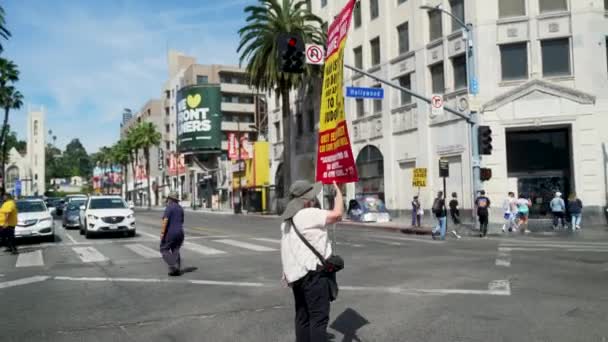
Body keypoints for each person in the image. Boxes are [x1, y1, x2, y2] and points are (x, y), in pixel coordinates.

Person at [280, 180, 343, 342]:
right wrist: (338, 192)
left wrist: (286, 273)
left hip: (297, 277)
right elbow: (337, 214)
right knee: (318, 319)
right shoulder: (308, 214)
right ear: (306, 199)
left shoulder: (287, 221)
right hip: (314, 276)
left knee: (302, 317)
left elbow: (287, 249)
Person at [160, 191, 185, 276]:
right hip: (180, 233)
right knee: (175, 250)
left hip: (171, 233)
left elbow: (165, 221)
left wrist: (162, 233)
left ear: (170, 199)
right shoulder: (180, 208)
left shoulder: (169, 207)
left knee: (163, 249)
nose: (168, 201)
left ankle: (173, 265)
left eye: (168, 199)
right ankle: (177, 269)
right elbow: (181, 221)